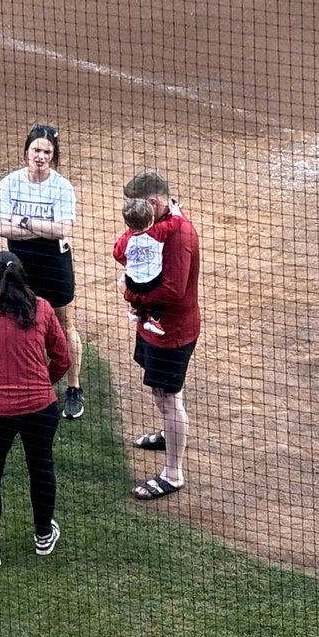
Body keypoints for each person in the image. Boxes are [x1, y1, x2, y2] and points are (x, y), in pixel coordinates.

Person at [0, 251, 72, 568]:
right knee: (41, 468)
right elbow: (63, 359)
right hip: (41, 408)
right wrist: (42, 384)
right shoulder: (43, 308)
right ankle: (43, 536)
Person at [0, 124, 85, 418]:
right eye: (36, 150)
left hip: (54, 264)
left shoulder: (62, 186)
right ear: (26, 152)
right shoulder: (9, 183)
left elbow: (62, 230)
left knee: (64, 324)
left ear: (54, 155)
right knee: (18, 320)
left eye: (47, 151)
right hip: (19, 266)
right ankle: (23, 380)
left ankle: (73, 387)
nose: (41, 156)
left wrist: (22, 223)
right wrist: (39, 229)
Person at [120, 170, 202, 501]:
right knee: (162, 393)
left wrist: (130, 293)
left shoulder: (180, 235)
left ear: (154, 202)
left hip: (173, 333)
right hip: (156, 329)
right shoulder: (158, 222)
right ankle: (170, 434)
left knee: (170, 400)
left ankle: (173, 473)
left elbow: (171, 290)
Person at [112, 196, 182, 336]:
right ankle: (153, 319)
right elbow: (176, 222)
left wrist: (130, 263)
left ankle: (137, 310)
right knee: (158, 299)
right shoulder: (158, 231)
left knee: (134, 288)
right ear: (151, 221)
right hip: (153, 280)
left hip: (132, 280)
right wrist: (175, 210)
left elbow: (117, 253)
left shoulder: (126, 239)